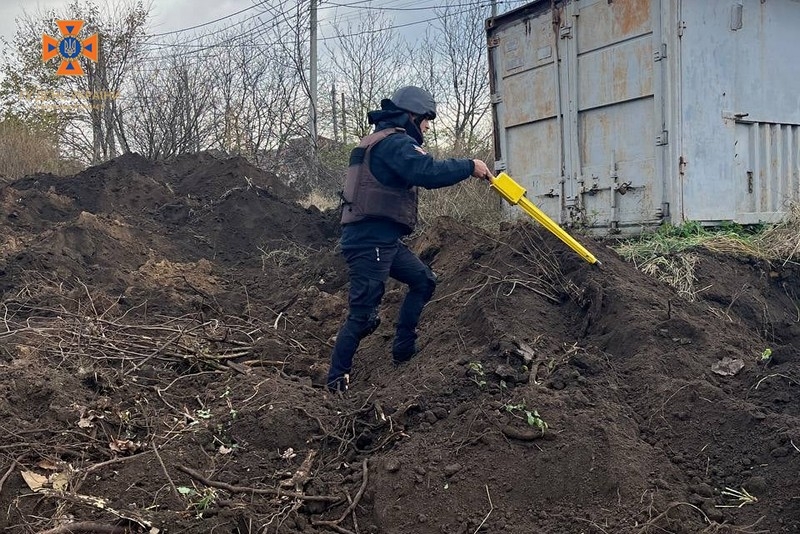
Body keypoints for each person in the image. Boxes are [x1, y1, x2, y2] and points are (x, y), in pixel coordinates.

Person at [326, 85, 493, 392]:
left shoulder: (381, 140)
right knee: (362, 316)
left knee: (424, 280)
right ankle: (335, 384)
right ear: (412, 116)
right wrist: (469, 165)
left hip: (382, 240)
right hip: (369, 241)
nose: (428, 126)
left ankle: (403, 350)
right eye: (427, 119)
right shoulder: (394, 143)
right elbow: (426, 172)